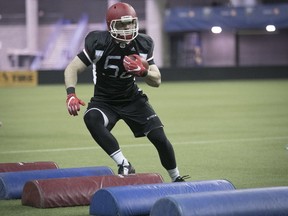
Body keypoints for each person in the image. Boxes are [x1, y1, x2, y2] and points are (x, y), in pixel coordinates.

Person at [64, 2, 187, 182]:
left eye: (130, 23)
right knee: (91, 118)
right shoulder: (98, 42)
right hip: (104, 101)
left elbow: (157, 80)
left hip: (132, 99)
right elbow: (72, 68)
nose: (127, 28)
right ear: (110, 25)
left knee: (159, 138)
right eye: (121, 24)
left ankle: (176, 178)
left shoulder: (143, 43)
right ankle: (124, 163)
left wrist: (144, 72)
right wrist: (70, 94)